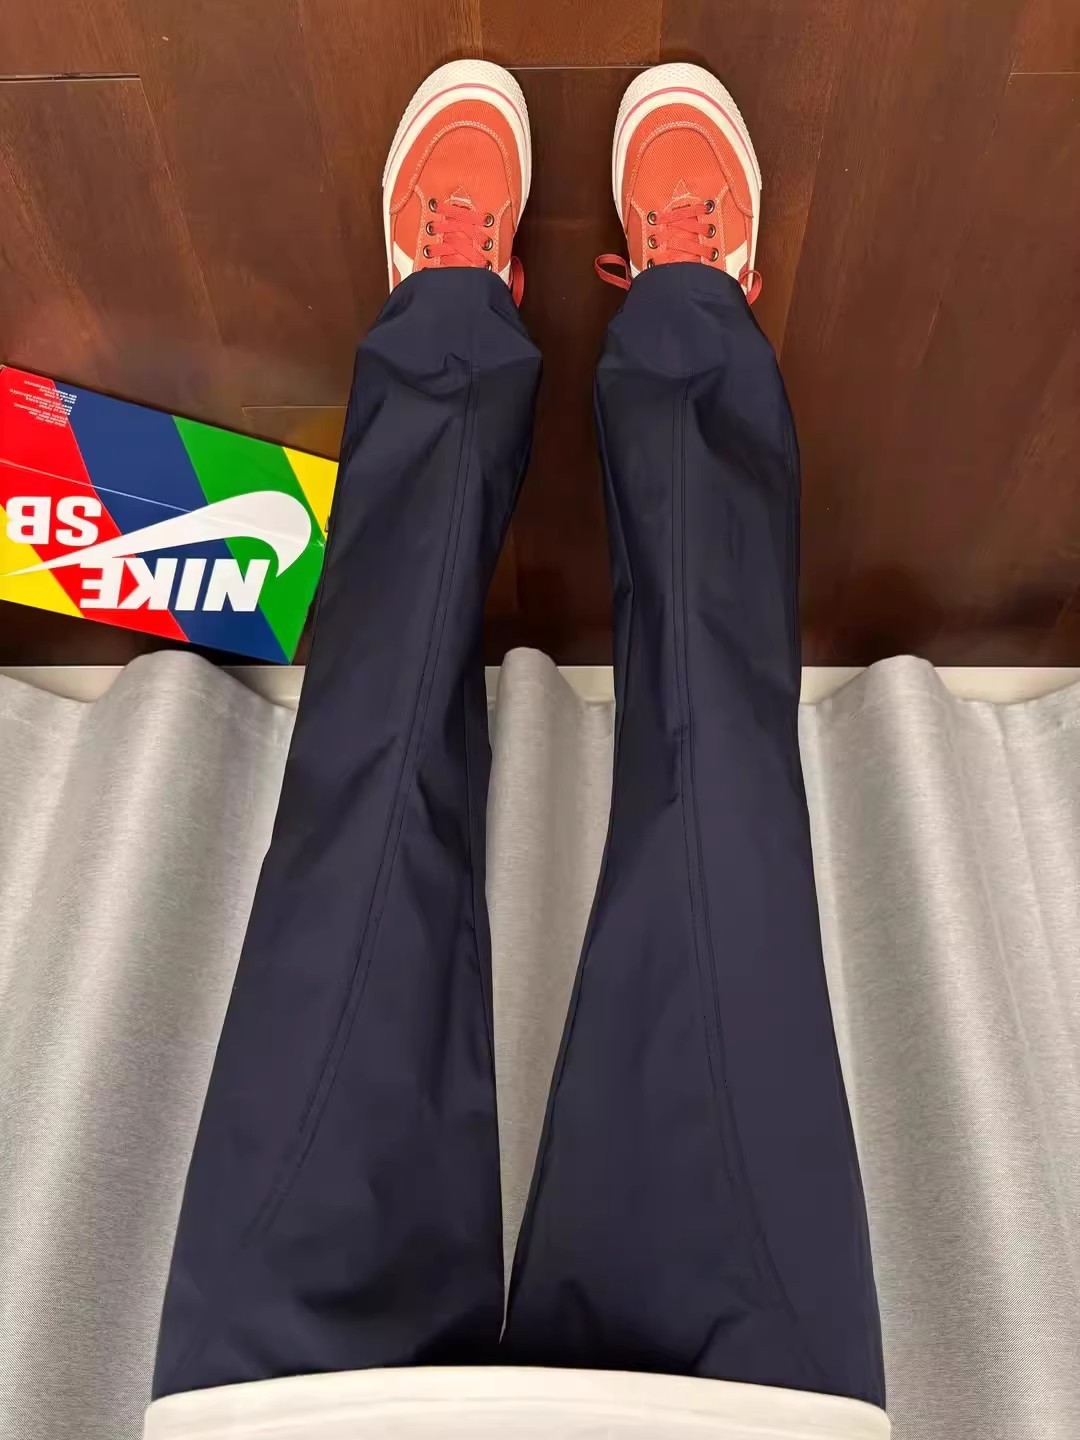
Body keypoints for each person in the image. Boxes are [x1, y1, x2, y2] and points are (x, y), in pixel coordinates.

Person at [143, 59, 889, 1440]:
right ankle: (692, 320)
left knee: (360, 806)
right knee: (727, 808)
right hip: (746, 1414)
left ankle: (447, 329)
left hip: (282, 1412)